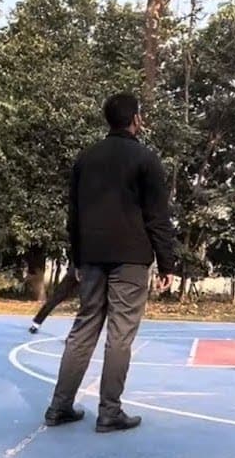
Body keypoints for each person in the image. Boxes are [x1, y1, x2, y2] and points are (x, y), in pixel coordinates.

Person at [45, 93, 179, 433]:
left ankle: (59, 407)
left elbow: (72, 216)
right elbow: (157, 217)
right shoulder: (146, 159)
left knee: (83, 328)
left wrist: (76, 257)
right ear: (135, 118)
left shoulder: (85, 158)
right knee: (120, 334)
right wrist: (167, 264)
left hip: (90, 256)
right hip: (131, 258)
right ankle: (110, 411)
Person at [28, 267, 79, 334]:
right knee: (56, 297)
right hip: (80, 270)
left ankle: (78, 333)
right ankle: (37, 323)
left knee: (88, 303)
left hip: (86, 271)